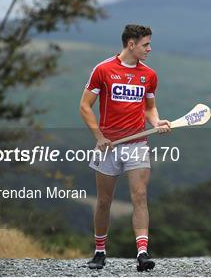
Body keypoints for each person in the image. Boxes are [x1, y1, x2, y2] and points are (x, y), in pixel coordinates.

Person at [79, 24, 170, 271]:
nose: (149, 49)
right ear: (131, 44)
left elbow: (150, 108)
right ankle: (99, 251)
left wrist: (157, 122)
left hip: (138, 144)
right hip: (108, 146)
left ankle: (142, 252)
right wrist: (98, 136)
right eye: (145, 44)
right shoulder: (103, 69)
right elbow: (85, 106)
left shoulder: (149, 75)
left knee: (139, 196)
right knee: (104, 200)